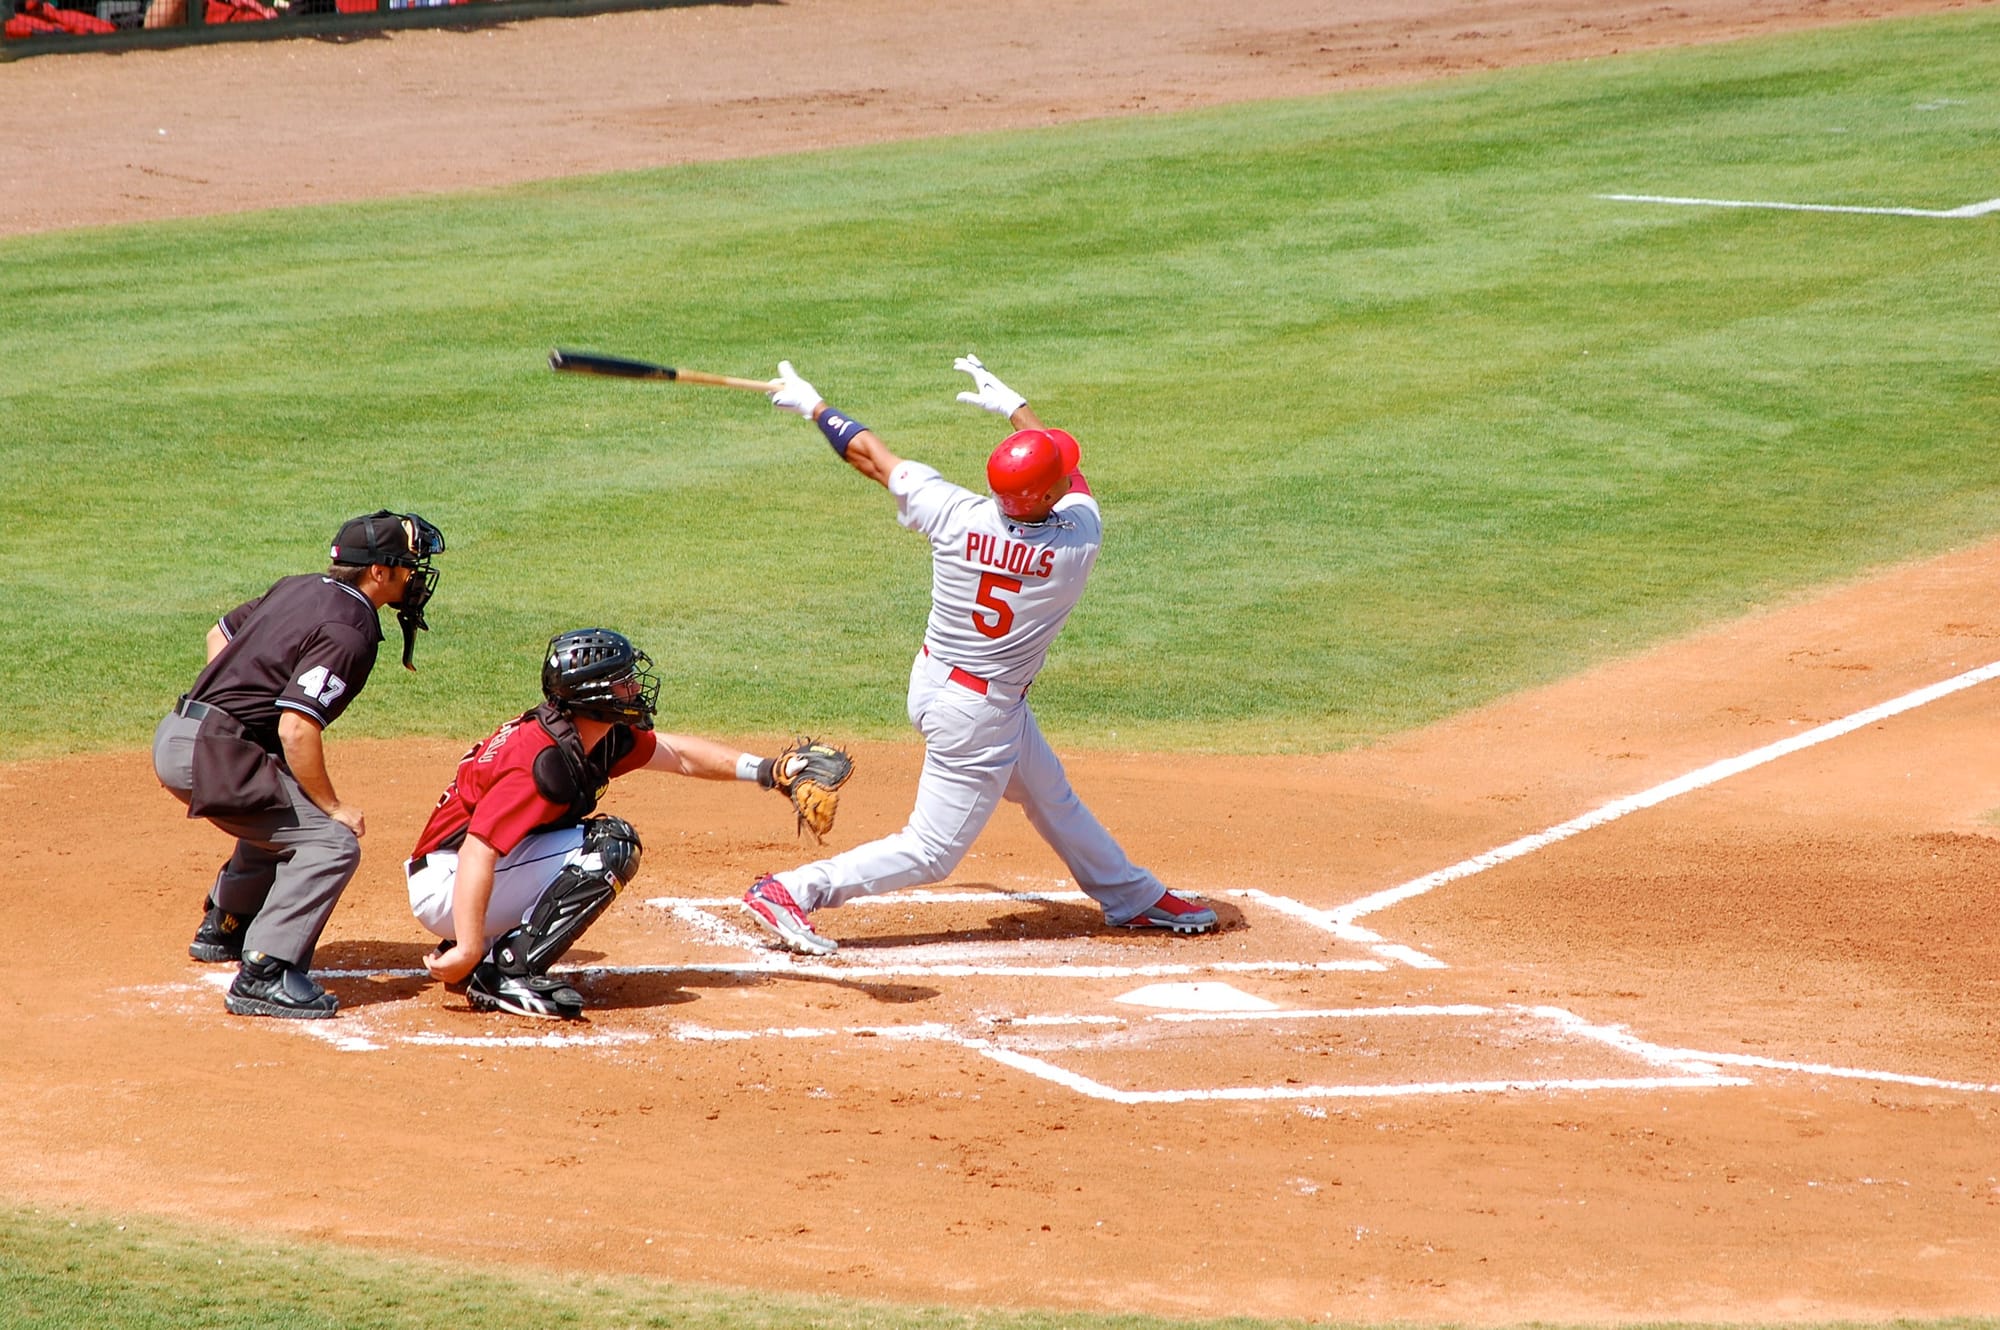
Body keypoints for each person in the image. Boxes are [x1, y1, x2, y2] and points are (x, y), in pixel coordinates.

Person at [740, 354, 1218, 955]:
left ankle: (1131, 895)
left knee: (1049, 795)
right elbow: (1073, 479)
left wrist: (815, 406)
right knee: (932, 850)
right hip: (978, 715)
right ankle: (794, 889)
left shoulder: (953, 514)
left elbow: (869, 455)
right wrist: (1017, 411)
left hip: (937, 681)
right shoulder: (1075, 545)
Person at [408, 628, 845, 1019]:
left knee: (596, 843)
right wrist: (466, 946)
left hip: (475, 870)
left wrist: (768, 770)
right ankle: (506, 973)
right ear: (593, 693)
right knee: (610, 846)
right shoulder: (541, 762)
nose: (635, 688)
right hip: (449, 882)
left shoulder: (593, 734)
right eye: (622, 681)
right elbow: (478, 849)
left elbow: (679, 755)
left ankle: (490, 949)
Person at [154, 509, 446, 1019]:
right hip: (214, 752)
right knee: (329, 841)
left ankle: (228, 922)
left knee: (282, 801)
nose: (415, 577)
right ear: (379, 571)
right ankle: (265, 971)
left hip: (186, 732)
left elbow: (218, 635)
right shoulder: (351, 626)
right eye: (407, 565)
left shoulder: (299, 586)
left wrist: (233, 706)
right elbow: (296, 726)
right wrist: (333, 805)